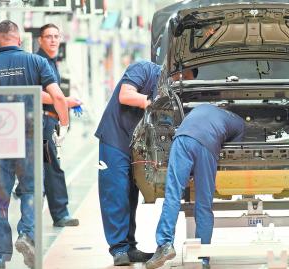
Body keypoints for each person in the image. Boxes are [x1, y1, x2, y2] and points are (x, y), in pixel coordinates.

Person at [0, 20, 69, 269]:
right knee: (31, 190)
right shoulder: (36, 62)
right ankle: (26, 234)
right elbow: (58, 96)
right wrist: (64, 124)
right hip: (29, 138)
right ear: (19, 40)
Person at [95, 60, 197, 266]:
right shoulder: (143, 69)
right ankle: (118, 249)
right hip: (116, 138)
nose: (181, 82)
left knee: (131, 194)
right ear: (177, 69)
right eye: (183, 77)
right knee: (115, 192)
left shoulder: (171, 91)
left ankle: (129, 246)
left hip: (139, 144)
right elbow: (126, 95)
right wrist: (151, 102)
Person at [146, 104, 245, 269]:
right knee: (204, 204)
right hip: (208, 144)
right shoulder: (239, 122)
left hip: (183, 139)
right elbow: (234, 152)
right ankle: (203, 258)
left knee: (173, 194)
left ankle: (165, 245)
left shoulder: (200, 107)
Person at [36, 23, 81, 227]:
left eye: (56, 36)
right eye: (48, 36)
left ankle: (52, 213)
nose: (53, 40)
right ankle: (60, 214)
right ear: (40, 40)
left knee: (48, 166)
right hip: (43, 122)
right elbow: (38, 92)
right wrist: (63, 102)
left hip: (50, 121)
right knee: (51, 166)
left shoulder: (52, 62)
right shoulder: (39, 61)